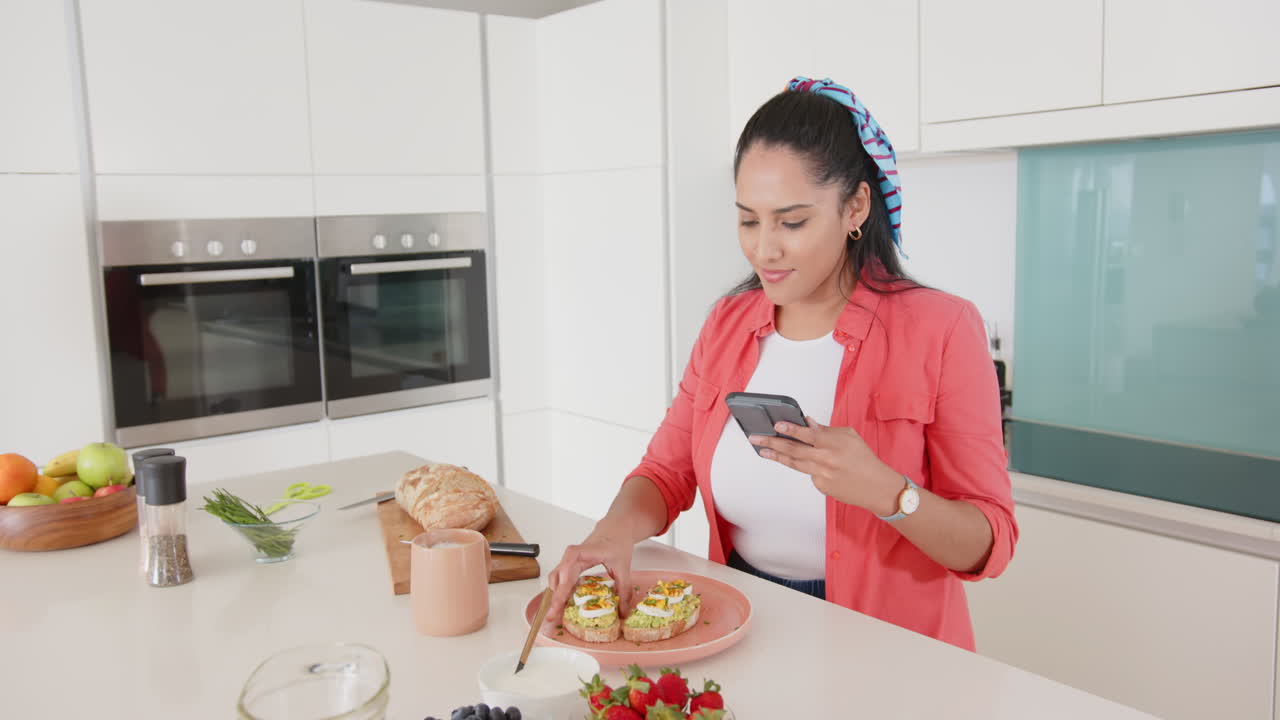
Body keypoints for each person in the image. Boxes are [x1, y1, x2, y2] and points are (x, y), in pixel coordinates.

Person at [546, 77, 1017, 651]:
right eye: (749, 220)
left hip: (892, 654)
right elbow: (665, 473)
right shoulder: (727, 323)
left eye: (791, 222)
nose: (764, 248)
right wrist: (611, 533)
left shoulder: (942, 329)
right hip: (742, 630)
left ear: (856, 207)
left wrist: (888, 493)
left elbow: (990, 543)